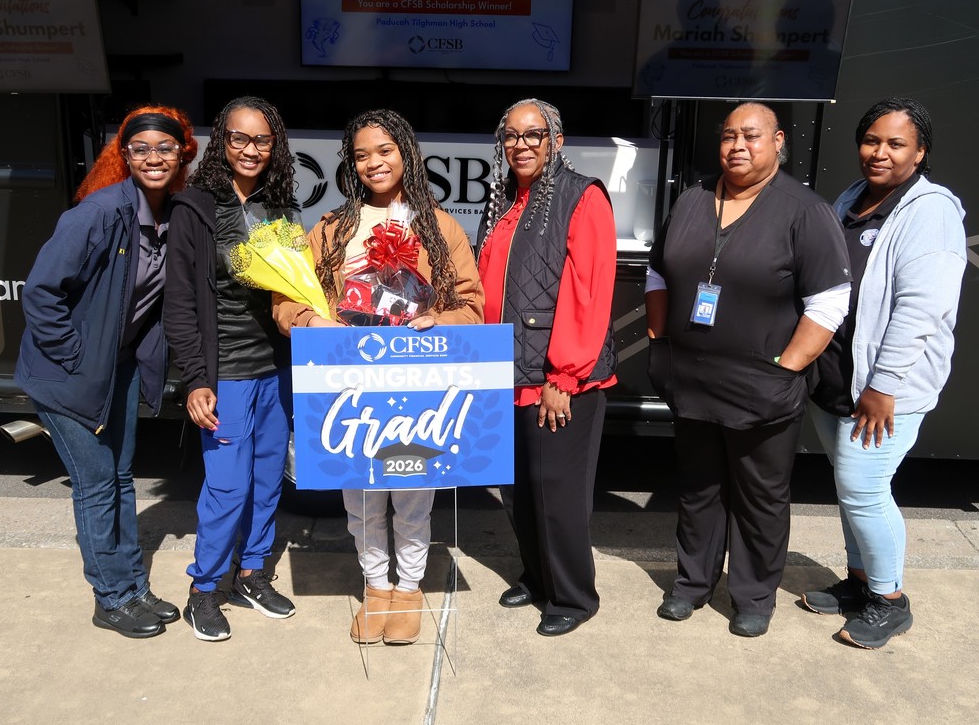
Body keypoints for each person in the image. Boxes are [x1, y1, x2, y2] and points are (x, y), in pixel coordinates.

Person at [273, 108, 483, 645]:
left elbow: (473, 308)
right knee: (362, 495)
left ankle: (409, 587)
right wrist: (312, 318)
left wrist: (441, 318)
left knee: (413, 490)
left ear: (406, 154)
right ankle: (375, 586)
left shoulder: (441, 226)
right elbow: (286, 298)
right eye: (362, 154)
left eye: (385, 150)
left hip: (418, 389)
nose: (374, 163)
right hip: (352, 389)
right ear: (351, 163)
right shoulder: (331, 228)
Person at [645, 101, 851, 637]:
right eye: (729, 135)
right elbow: (657, 274)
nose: (738, 145)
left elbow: (829, 300)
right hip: (692, 382)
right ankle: (691, 584)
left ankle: (754, 595)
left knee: (760, 498)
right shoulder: (692, 199)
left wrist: (789, 366)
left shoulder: (804, 210)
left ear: (779, 141)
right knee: (698, 491)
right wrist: (659, 339)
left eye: (751, 135)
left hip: (764, 389)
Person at [15, 105, 198, 638]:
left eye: (165, 147)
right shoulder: (99, 213)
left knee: (120, 477)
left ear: (181, 153)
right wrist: (72, 356)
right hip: (66, 375)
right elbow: (42, 290)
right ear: (124, 156)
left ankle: (132, 586)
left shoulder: (171, 214)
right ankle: (111, 597)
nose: (153, 157)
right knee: (95, 485)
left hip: (116, 370)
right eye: (140, 148)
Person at [801, 98, 967, 649]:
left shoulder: (930, 211)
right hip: (836, 378)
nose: (880, 152)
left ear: (919, 153)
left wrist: (883, 385)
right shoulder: (852, 199)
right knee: (851, 489)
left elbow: (923, 309)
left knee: (864, 487)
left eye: (896, 143)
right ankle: (859, 582)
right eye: (872, 140)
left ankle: (889, 601)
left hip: (882, 387)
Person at [476, 98, 617, 637]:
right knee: (520, 490)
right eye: (511, 135)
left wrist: (564, 375)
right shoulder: (505, 202)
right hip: (507, 373)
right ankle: (538, 577)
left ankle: (574, 596)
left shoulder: (583, 198)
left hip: (560, 379)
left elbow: (588, 291)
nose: (521, 145)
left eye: (533, 134)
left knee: (556, 491)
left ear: (557, 139)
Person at [165, 96, 299, 642]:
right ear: (222, 141)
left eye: (262, 140)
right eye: (240, 138)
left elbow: (297, 292)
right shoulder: (194, 209)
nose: (251, 149)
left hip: (276, 371)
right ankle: (204, 589)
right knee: (227, 487)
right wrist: (196, 378)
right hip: (227, 375)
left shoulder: (281, 209)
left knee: (268, 480)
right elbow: (178, 304)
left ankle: (251, 572)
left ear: (275, 147)